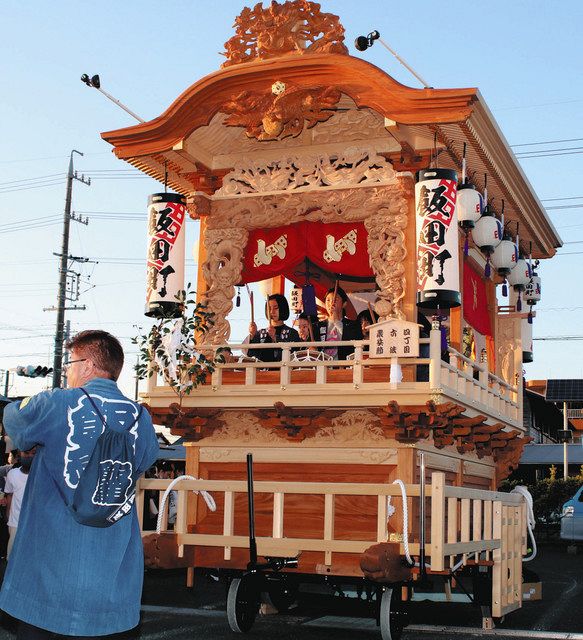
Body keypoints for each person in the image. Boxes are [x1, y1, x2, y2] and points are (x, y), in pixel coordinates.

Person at [0, 330, 159, 639]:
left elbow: (14, 420)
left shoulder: (58, 401)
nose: (68, 372)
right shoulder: (142, 418)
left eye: (70, 364)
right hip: (111, 581)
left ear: (87, 365)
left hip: (48, 581)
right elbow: (144, 460)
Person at [247, 294, 300, 362]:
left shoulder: (292, 333)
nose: (272, 312)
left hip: (283, 371)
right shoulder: (260, 333)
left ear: (283, 308)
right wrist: (252, 336)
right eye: (269, 308)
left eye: (276, 308)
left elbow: (294, 354)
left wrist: (275, 338)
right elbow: (251, 356)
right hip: (262, 372)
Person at [4, 448, 35, 559]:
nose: (29, 456)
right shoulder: (12, 474)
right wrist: (8, 515)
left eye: (33, 453)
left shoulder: (42, 476)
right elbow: (10, 495)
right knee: (12, 557)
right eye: (26, 453)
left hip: (34, 524)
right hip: (15, 522)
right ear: (19, 455)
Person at [317, 287, 362, 360]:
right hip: (322, 367)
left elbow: (353, 344)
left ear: (344, 304)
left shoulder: (353, 325)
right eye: (328, 300)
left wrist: (337, 321)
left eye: (335, 300)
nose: (331, 303)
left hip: (344, 367)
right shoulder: (318, 326)